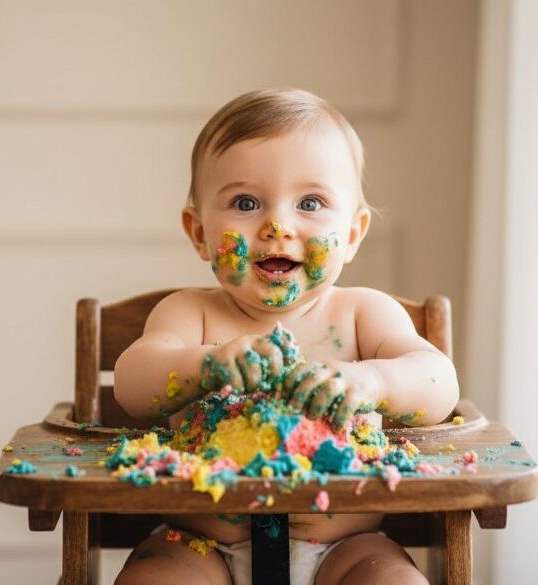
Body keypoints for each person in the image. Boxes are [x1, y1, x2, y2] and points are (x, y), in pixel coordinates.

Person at [113, 88, 458, 585]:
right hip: (199, 546)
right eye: (246, 202)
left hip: (347, 548)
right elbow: (131, 384)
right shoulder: (191, 314)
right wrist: (202, 364)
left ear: (354, 233)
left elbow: (438, 382)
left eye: (311, 202)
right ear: (199, 232)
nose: (277, 225)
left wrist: (373, 382)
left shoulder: (363, 313)